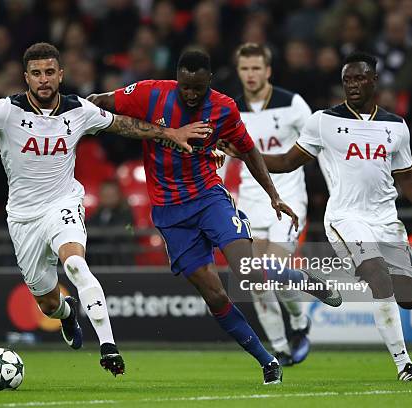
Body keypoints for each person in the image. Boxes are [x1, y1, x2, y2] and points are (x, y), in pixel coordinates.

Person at [0, 42, 210, 377]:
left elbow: (124, 125)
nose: (43, 80)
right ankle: (67, 313)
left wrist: (170, 133)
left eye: (49, 72)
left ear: (61, 74)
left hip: (63, 203)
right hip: (23, 217)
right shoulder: (6, 111)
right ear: (25, 77)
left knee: (75, 263)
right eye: (36, 73)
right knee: (47, 302)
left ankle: (108, 346)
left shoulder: (79, 110)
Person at [88, 49, 341, 385]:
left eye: (198, 88)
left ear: (209, 81)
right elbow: (97, 102)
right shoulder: (150, 93)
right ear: (177, 79)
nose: (191, 94)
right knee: (215, 296)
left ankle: (302, 281)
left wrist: (274, 195)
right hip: (169, 213)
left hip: (209, 198)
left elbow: (249, 150)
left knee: (247, 271)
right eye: (186, 87)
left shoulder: (224, 107)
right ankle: (267, 361)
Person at [220, 51, 412, 381]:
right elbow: (287, 161)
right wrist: (247, 154)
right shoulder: (323, 121)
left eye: (360, 78)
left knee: (408, 298)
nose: (353, 85)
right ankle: (405, 365)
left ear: (374, 80)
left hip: (386, 220)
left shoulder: (395, 127)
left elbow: (406, 176)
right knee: (378, 277)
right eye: (347, 80)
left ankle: (327, 282)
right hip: (346, 217)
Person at [232, 43, 313, 366]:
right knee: (253, 276)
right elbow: (222, 158)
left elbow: (316, 143)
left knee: (276, 270)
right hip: (251, 202)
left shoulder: (292, 105)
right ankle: (279, 347)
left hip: (289, 199)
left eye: (256, 68)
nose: (250, 75)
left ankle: (298, 322)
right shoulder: (231, 110)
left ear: (268, 71)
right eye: (244, 69)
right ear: (239, 72)